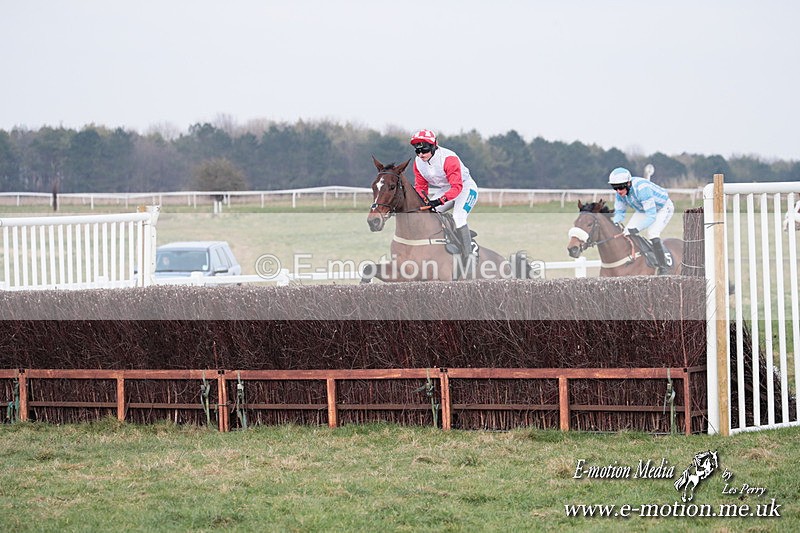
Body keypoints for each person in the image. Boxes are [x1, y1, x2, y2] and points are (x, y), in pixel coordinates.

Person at [409, 129, 479, 263]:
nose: (421, 154)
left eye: (424, 150)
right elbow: (421, 187)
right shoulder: (418, 163)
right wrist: (423, 202)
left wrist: (439, 201)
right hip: (446, 188)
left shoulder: (448, 159)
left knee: (458, 217)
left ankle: (469, 256)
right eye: (418, 151)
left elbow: (457, 187)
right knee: (427, 215)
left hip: (465, 187)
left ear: (433, 146)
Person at [608, 167, 674, 274]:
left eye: (620, 187)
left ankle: (663, 267)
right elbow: (620, 212)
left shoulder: (642, 189)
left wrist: (636, 229)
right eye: (615, 188)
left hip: (663, 207)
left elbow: (651, 216)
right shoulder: (619, 194)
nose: (618, 191)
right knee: (626, 232)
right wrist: (614, 224)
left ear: (628, 183)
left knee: (652, 233)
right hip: (643, 209)